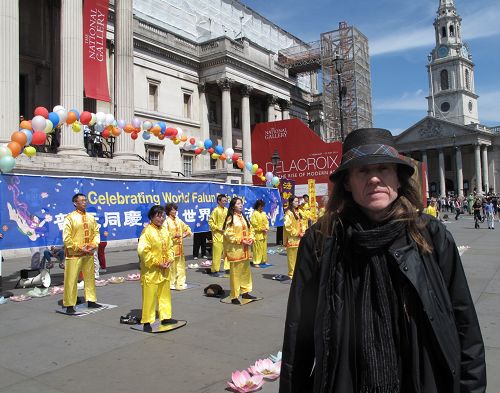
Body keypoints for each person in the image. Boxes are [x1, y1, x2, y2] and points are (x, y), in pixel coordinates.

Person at [280, 128, 485, 393]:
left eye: (384, 169)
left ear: (398, 179)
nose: (375, 179)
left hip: (421, 380)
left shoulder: (430, 234)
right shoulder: (322, 240)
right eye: (363, 171)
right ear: (346, 183)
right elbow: (299, 332)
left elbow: (464, 321)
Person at [137, 205, 176, 332]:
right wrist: (157, 263)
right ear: (151, 217)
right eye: (158, 215)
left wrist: (169, 259)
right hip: (151, 270)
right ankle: (147, 320)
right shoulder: (147, 231)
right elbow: (143, 251)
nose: (161, 218)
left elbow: (170, 247)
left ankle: (166, 316)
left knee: (165, 293)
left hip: (165, 268)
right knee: (150, 296)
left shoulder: (164, 230)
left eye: (163, 215)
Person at [63, 193, 101, 313]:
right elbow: (66, 238)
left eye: (85, 200)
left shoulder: (90, 217)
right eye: (82, 200)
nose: (85, 202)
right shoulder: (69, 218)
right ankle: (69, 304)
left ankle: (91, 300)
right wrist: (79, 247)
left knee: (90, 278)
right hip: (74, 254)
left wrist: (93, 245)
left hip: (88, 253)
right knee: (71, 279)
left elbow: (96, 233)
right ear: (75, 203)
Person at [223, 197, 255, 304]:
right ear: (233, 206)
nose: (240, 205)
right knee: (235, 274)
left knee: (246, 272)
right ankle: (234, 295)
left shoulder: (244, 217)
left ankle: (245, 291)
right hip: (235, 250)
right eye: (238, 204)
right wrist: (241, 240)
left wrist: (251, 239)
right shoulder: (231, 218)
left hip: (245, 249)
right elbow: (228, 234)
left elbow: (251, 229)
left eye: (241, 203)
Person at [164, 203, 192, 290]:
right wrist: (173, 236)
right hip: (171, 247)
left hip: (180, 247)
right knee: (172, 267)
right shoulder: (166, 222)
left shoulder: (178, 220)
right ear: (168, 211)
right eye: (173, 210)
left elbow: (186, 227)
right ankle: (171, 282)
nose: (175, 211)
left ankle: (180, 282)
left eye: (175, 209)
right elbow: (164, 234)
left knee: (181, 266)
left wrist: (186, 233)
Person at [284, 195, 305, 279]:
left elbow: (302, 223)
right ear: (291, 202)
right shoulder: (288, 213)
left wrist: (303, 231)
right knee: (292, 258)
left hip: (299, 238)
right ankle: (291, 274)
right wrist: (297, 233)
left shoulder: (298, 212)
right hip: (292, 239)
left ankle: (297, 273)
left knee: (299, 257)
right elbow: (288, 227)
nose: (297, 203)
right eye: (295, 201)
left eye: (297, 201)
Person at [209, 194, 229, 277]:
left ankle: (227, 268)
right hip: (217, 235)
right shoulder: (215, 210)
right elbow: (210, 222)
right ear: (219, 201)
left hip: (226, 235)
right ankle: (214, 270)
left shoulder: (227, 210)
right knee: (217, 254)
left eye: (226, 200)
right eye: (223, 201)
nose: (225, 202)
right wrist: (218, 228)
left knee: (227, 253)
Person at [250, 199, 269, 267]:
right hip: (257, 234)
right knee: (257, 248)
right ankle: (256, 262)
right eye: (260, 206)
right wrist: (261, 229)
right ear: (257, 206)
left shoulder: (263, 213)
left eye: (262, 206)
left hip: (264, 234)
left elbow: (267, 222)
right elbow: (254, 224)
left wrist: (266, 228)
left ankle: (263, 261)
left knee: (264, 248)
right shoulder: (254, 213)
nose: (262, 208)